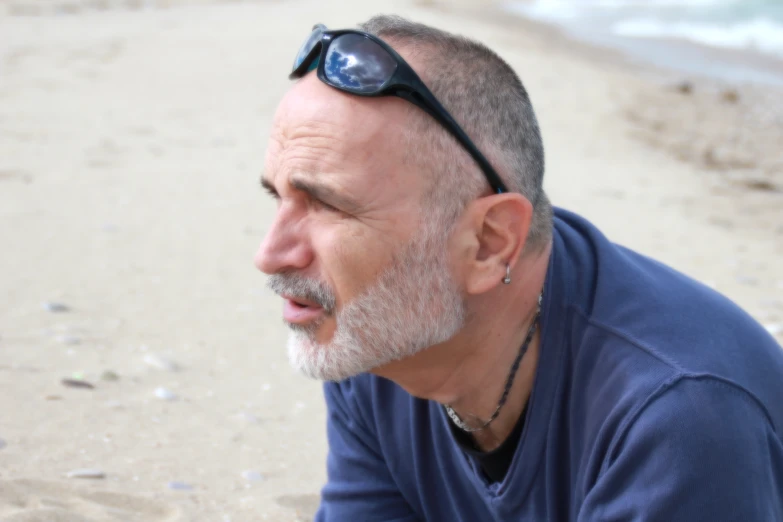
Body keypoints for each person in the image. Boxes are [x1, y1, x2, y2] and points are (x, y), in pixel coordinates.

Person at [254, 15, 783, 522]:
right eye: (279, 197)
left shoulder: (675, 419)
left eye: (329, 206)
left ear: (489, 242)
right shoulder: (377, 341)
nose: (271, 255)